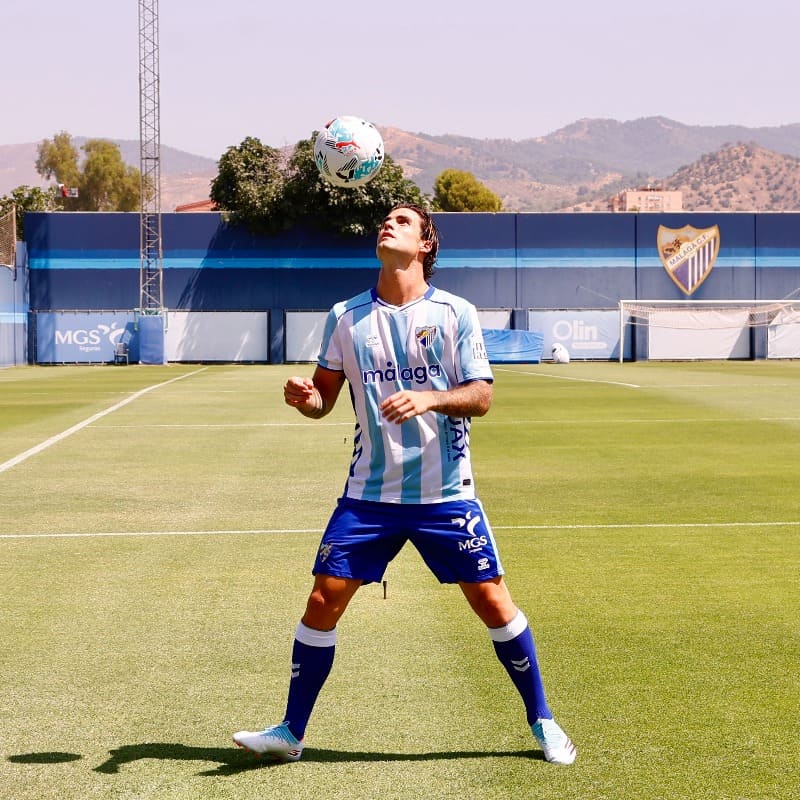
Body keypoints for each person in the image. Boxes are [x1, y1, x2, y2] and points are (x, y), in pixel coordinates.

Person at [233, 203, 576, 765]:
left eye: (402, 221)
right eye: (384, 221)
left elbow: (481, 396)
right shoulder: (346, 316)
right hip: (369, 496)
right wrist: (305, 399)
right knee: (322, 600)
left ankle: (542, 721)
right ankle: (291, 733)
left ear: (424, 245)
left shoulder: (455, 313)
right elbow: (323, 399)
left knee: (492, 602)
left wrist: (432, 398)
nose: (387, 225)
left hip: (445, 494)